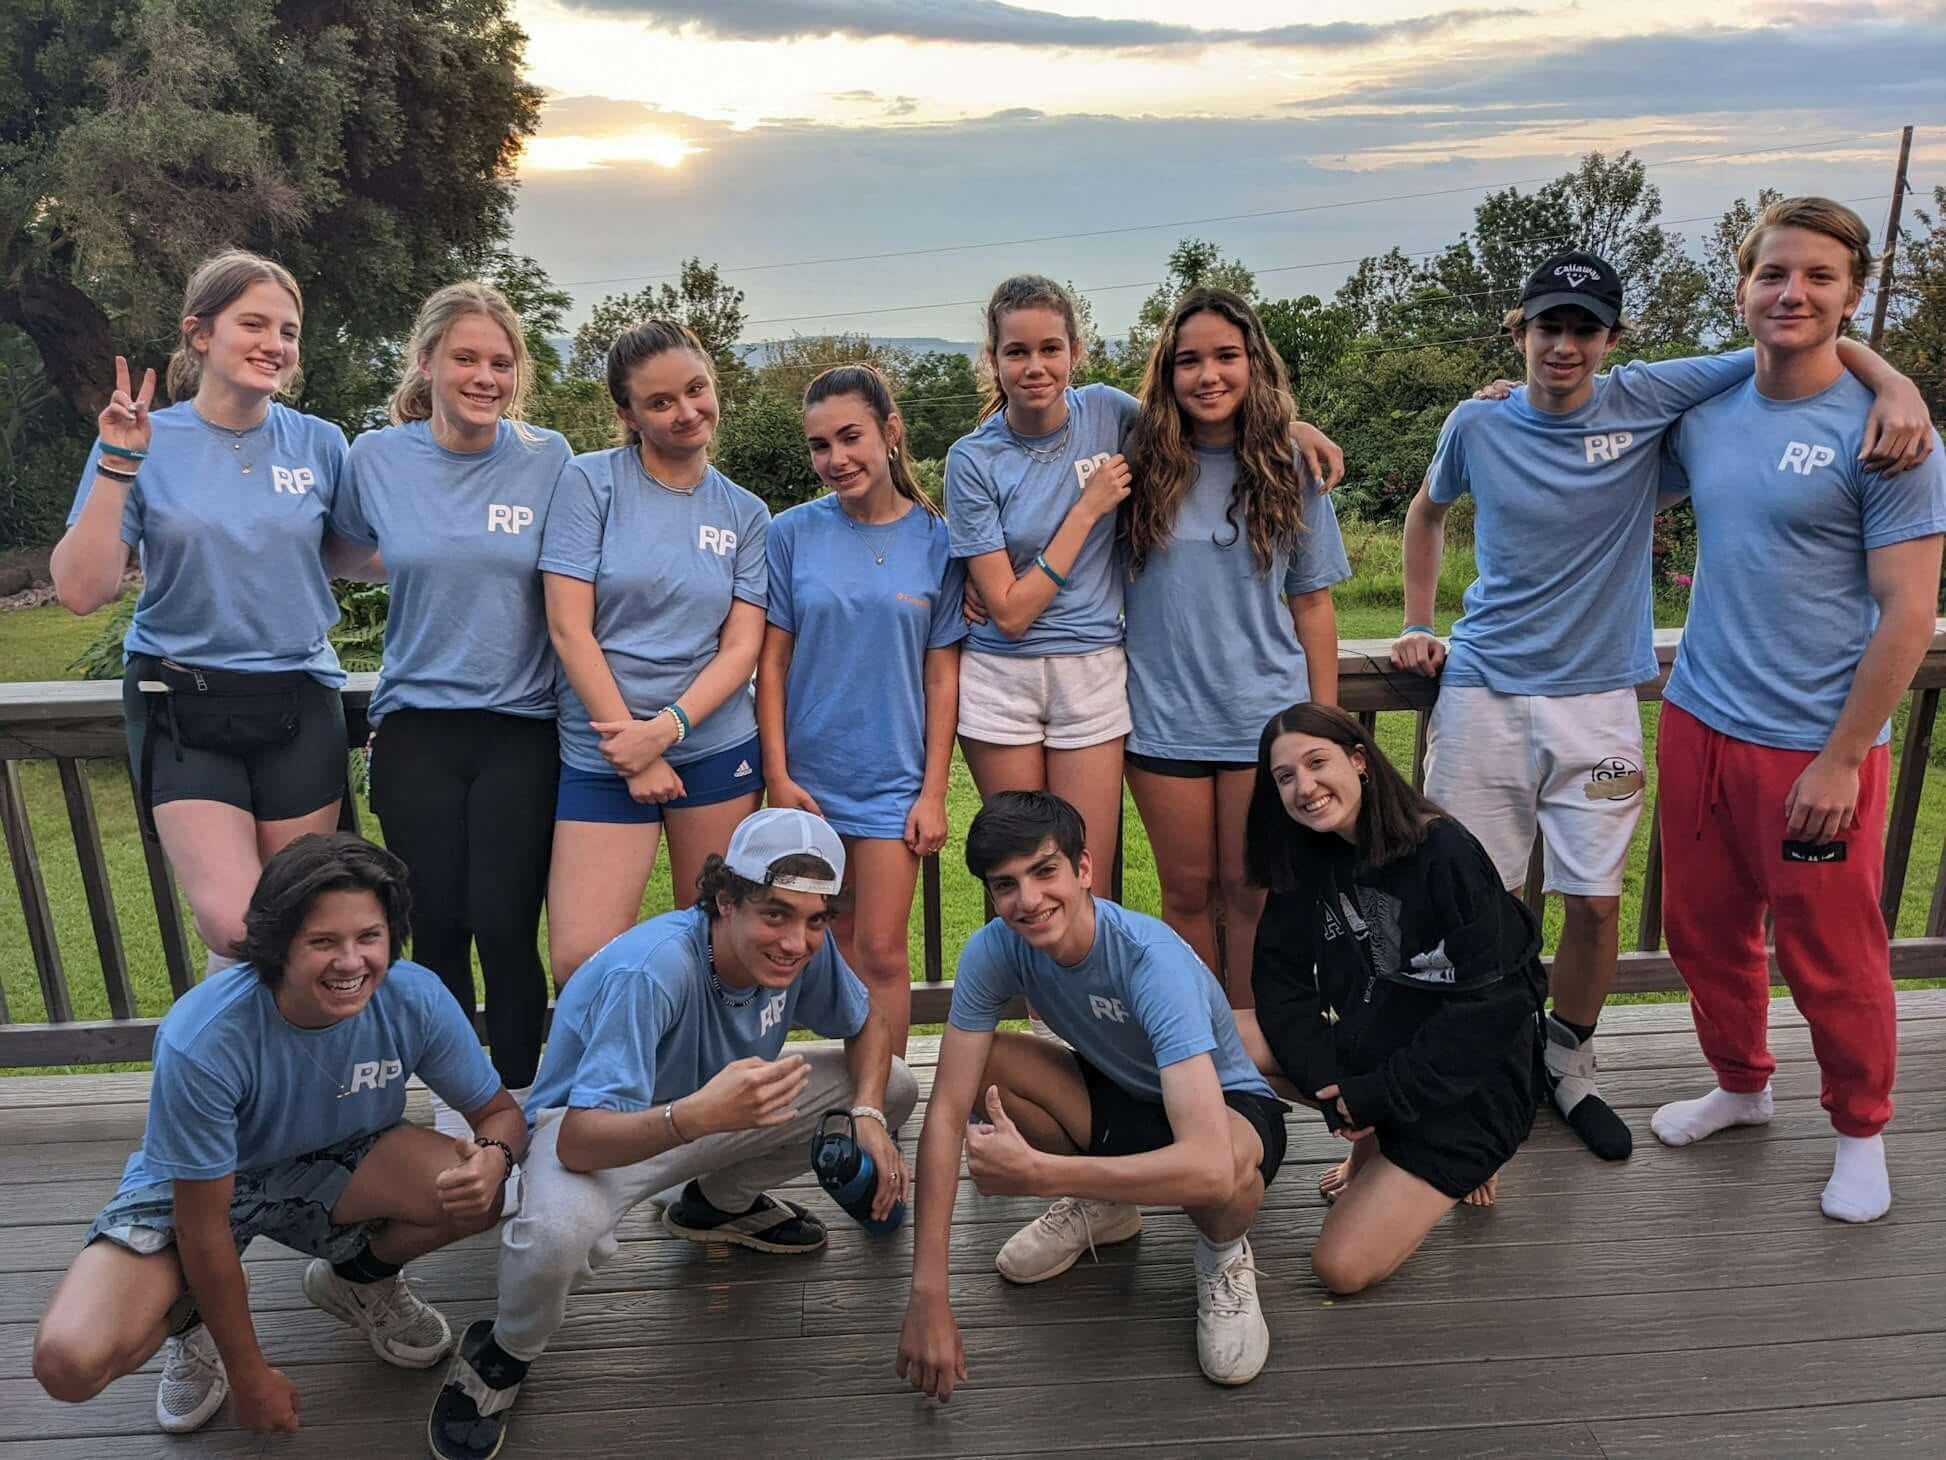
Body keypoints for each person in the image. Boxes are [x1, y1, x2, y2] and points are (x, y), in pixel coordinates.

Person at [1389, 248, 1932, 1162]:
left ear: (1611, 339)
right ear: (1517, 330)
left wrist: (1896, 379)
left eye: (1584, 329)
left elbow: (1790, 343)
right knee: (1458, 900)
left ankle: (1569, 1061)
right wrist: (1414, 619)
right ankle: (1471, 1070)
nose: (1565, 345)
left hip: (1601, 699)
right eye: (1547, 326)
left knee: (1595, 905)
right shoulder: (1474, 426)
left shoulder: (1647, 400)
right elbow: (1426, 512)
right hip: (1482, 686)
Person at [426, 807, 917, 1460]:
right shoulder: (653, 971)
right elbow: (577, 1141)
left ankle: (715, 1205)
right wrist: (700, 1116)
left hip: (712, 1111)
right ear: (725, 899)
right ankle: (504, 1351)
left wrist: (868, 1116)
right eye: (775, 913)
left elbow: (869, 1026)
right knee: (554, 1235)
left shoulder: (805, 949)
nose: (796, 941)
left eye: (814, 919)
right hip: (595, 1135)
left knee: (898, 1086)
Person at [1650, 197, 1946, 1224]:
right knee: (1699, 931)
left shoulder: (1889, 435)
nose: (1792, 292)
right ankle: (1740, 1084)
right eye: (1773, 272)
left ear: (1850, 294)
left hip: (1812, 745)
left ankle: (1860, 1131)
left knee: (1834, 954)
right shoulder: (1707, 406)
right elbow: (1587, 428)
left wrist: (1840, 757)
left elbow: (1909, 612)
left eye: (1818, 277)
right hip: (1695, 717)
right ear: (1740, 286)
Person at [31, 835, 526, 1437]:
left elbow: (499, 1113)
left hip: (342, 1158)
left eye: (369, 937)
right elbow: (203, 1224)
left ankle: (356, 1280)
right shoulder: (206, 1036)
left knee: (481, 1194)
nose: (351, 962)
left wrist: (495, 1160)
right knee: (69, 1362)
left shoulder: (413, 995)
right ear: (277, 944)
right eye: (323, 941)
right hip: (202, 1188)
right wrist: (251, 1374)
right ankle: (191, 1324)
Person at [896, 791, 1289, 1396]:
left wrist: (1042, 1174)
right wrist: (927, 1293)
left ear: (1084, 870)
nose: (1028, 901)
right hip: (1120, 1092)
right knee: (979, 1068)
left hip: (1225, 1109)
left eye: (1044, 871)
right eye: (1006, 885)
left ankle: (1223, 1255)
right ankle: (1107, 1207)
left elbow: (1208, 1166)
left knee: (1229, 1179)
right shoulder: (994, 950)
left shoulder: (1148, 959)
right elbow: (945, 1113)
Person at [50, 250, 377, 968]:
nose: (275, 344)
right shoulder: (143, 439)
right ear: (200, 334)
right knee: (235, 925)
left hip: (298, 697)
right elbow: (80, 591)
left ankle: (282, 1075)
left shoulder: (321, 442)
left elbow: (353, 553)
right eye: (253, 323)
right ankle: (221, 1071)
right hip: (181, 701)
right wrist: (116, 463)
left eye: (288, 331)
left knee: (298, 920)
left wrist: (471, 540)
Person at [330, 281, 572, 1102]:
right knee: (433, 928)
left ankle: (517, 1110)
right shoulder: (377, 458)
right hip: (415, 727)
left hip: (521, 727)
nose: (484, 376)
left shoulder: (549, 458)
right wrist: (416, 558)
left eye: (500, 362)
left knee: (505, 926)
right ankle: (453, 1109)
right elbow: (338, 552)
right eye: (465, 357)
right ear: (427, 362)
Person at [1242, 704, 1547, 1296]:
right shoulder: (1305, 856)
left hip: (1468, 1088)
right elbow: (1281, 984)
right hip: (1371, 1055)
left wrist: (1376, 1097)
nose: (1304, 787)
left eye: (1317, 762)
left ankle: (1467, 1163)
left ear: (1359, 761)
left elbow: (1495, 1013)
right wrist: (1332, 1083)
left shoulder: (1444, 852)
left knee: (1340, 1269)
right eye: (1284, 777)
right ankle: (1372, 1143)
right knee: (1212, 1037)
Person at [1122, 287, 1350, 1008]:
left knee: (1252, 895)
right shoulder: (1137, 460)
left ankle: (1251, 1045)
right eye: (1188, 360)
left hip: (1265, 720)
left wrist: (1326, 727)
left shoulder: (1292, 466)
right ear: (1166, 373)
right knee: (1187, 894)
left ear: (1254, 362)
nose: (1208, 375)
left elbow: (1311, 603)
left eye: (1226, 356)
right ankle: (1195, 1044)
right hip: (1164, 719)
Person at [539, 319, 770, 982]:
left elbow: (741, 645)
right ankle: (618, 1089)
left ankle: (706, 1085)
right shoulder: (590, 484)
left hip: (713, 748)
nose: (686, 412)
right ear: (628, 414)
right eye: (660, 402)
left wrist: (666, 730)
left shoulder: (745, 513)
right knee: (583, 959)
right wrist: (632, 749)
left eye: (696, 390)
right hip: (602, 753)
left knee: (718, 949)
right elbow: (568, 629)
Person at [759, 364, 966, 1054]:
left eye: (851, 437)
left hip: (891, 782)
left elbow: (942, 676)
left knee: (879, 950)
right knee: (822, 943)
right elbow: (774, 663)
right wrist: (778, 778)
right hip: (808, 781)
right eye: (820, 445)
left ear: (891, 433)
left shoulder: (939, 541)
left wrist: (932, 792)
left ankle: (882, 1102)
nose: (836, 459)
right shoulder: (791, 535)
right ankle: (835, 1096)